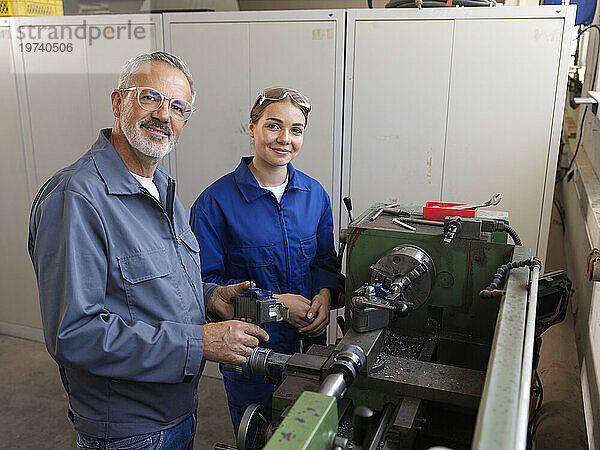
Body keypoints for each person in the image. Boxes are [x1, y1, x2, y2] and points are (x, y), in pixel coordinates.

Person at [27, 51, 269, 449]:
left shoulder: (163, 189)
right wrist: (201, 342)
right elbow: (74, 334)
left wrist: (210, 297)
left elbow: (144, 287)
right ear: (118, 102)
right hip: (129, 430)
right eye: (149, 98)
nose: (164, 115)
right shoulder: (77, 197)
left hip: (178, 411)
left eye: (177, 107)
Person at [189, 87, 344, 441]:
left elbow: (323, 261)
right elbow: (204, 290)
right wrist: (277, 308)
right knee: (260, 437)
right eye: (273, 126)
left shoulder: (315, 195)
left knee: (308, 438)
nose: (284, 139)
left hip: (310, 349)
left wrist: (323, 294)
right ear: (252, 128)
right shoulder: (215, 203)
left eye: (296, 130)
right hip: (251, 354)